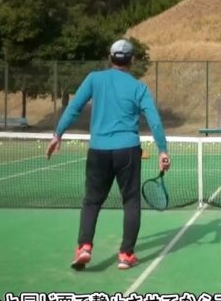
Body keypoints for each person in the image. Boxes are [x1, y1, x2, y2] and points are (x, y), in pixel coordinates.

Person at [46, 39, 170, 271]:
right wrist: (162, 150)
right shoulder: (139, 88)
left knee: (92, 201)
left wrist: (57, 134)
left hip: (98, 151)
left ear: (110, 58)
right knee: (131, 202)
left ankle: (84, 247)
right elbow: (154, 120)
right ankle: (126, 255)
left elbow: (74, 107)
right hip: (128, 151)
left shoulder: (94, 79)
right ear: (132, 60)